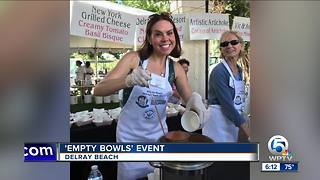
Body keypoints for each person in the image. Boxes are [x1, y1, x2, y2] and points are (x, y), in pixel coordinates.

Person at [93, 13, 206, 180]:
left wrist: (196, 104)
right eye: (158, 34)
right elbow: (98, 90)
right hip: (130, 140)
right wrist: (128, 80)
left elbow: (189, 100)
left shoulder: (175, 68)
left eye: (169, 33)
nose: (165, 38)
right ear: (149, 37)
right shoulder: (133, 59)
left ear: (175, 36)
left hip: (158, 139)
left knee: (157, 176)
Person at [202, 30, 250, 142]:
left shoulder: (240, 71)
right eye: (224, 44)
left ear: (241, 45)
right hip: (217, 123)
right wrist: (246, 129)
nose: (229, 46)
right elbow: (227, 104)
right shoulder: (218, 71)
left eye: (233, 42)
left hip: (232, 122)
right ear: (221, 50)